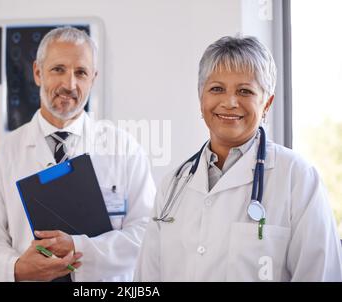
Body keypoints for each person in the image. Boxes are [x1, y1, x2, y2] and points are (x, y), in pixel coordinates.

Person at [134, 35, 342, 281]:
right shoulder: (173, 185)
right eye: (216, 89)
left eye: (245, 91)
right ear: (202, 98)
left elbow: (320, 274)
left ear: (267, 104)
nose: (230, 102)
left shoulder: (297, 178)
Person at [0, 27, 156, 282]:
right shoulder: (0, 157)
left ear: (93, 78)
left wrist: (80, 249)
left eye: (81, 72)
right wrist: (17, 268)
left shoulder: (124, 149)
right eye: (58, 69)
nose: (69, 84)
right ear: (37, 72)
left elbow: (147, 232)